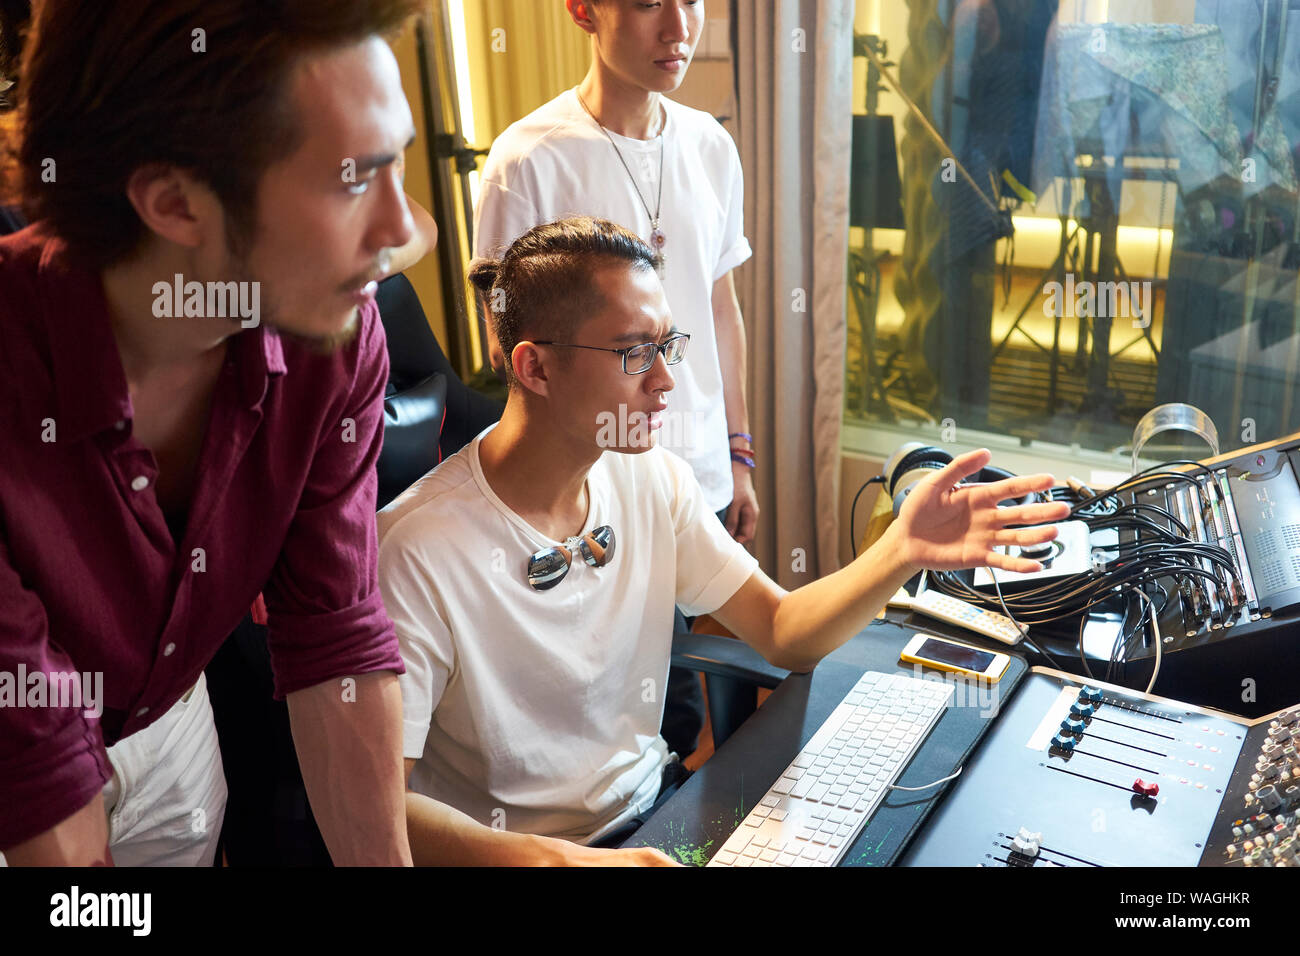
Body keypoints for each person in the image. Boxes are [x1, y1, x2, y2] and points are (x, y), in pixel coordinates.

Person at [379, 216, 1072, 865]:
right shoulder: (414, 549)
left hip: (656, 822)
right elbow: (382, 808)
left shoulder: (650, 476)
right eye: (633, 353)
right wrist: (561, 862)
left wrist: (901, 550)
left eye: (667, 345)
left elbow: (781, 631)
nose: (665, 381)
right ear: (534, 367)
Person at [0, 0, 432, 866]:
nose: (403, 231)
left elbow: (334, 635)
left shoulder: (331, 342)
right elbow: (34, 757)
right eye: (355, 179)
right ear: (174, 204)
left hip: (165, 722)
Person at [473, 0, 754, 757]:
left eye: (691, 1)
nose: (679, 26)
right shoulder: (529, 159)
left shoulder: (709, 145)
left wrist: (739, 451)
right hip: (605, 485)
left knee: (695, 686)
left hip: (699, 473)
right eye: (646, 4)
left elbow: (720, 307)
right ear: (583, 10)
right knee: (641, 720)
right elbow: (510, 349)